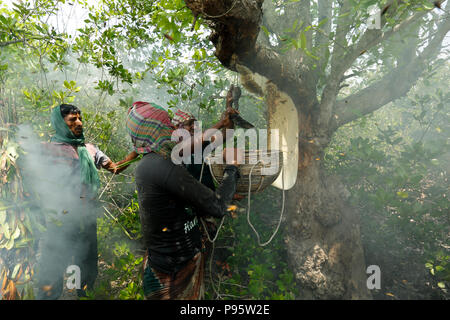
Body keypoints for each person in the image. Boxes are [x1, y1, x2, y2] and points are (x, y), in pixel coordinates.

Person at [126, 101, 242, 300]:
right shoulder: (164, 164)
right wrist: (231, 169)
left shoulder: (150, 163)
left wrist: (226, 121)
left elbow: (213, 137)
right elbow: (217, 206)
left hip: (169, 257)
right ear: (156, 131)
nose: (171, 128)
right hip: (174, 269)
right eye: (166, 125)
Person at [35, 104, 134, 299]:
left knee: (86, 266)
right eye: (73, 120)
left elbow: (114, 168)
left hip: (86, 219)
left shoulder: (89, 149)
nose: (79, 123)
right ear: (60, 123)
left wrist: (137, 153)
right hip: (59, 221)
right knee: (53, 267)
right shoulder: (45, 150)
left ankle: (83, 294)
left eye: (80, 118)